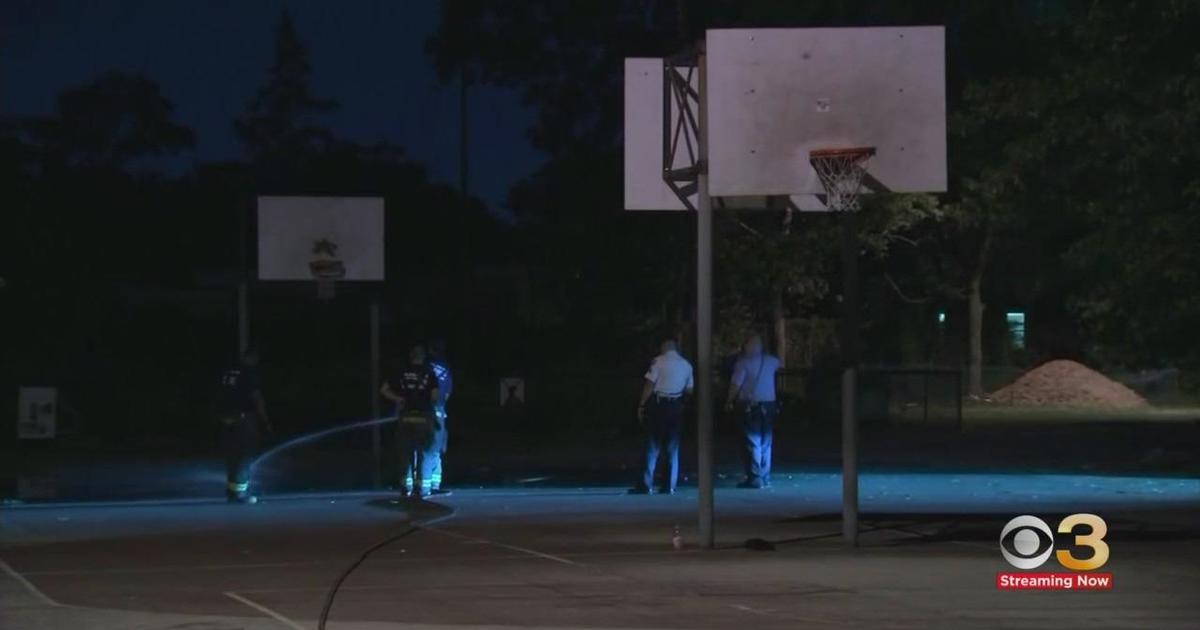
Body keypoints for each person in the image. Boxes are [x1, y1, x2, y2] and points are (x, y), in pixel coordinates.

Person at [633, 339, 694, 495]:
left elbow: (649, 385)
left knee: (653, 445)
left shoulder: (658, 362)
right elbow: (689, 390)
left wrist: (641, 405)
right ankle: (669, 485)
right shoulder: (687, 365)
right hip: (676, 406)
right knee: (672, 447)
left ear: (663, 348)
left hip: (659, 405)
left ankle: (646, 484)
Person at [381, 344, 442, 498]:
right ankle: (422, 488)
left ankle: (405, 486)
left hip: (405, 417)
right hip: (424, 417)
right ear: (423, 356)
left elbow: (384, 390)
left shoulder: (401, 372)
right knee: (425, 454)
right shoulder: (430, 373)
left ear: (411, 356)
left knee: (405, 454)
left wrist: (399, 399)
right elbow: (435, 396)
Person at [725, 334, 781, 489]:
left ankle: (755, 477)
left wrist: (729, 400)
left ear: (747, 346)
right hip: (769, 404)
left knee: (752, 440)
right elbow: (779, 364)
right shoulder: (772, 361)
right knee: (766, 441)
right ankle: (765, 475)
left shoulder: (743, 363)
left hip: (750, 405)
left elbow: (736, 384)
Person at [218, 347, 272, 503]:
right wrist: (264, 420)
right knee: (244, 455)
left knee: (232, 455)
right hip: (244, 417)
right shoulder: (249, 373)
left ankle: (232, 491)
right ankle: (239, 494)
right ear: (253, 358)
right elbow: (256, 396)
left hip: (226, 417)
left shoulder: (228, 372)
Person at [427, 340, 453, 495]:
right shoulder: (446, 369)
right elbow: (448, 393)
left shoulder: (425, 368)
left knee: (422, 449)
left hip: (424, 411)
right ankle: (434, 484)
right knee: (436, 449)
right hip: (439, 411)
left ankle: (422, 483)